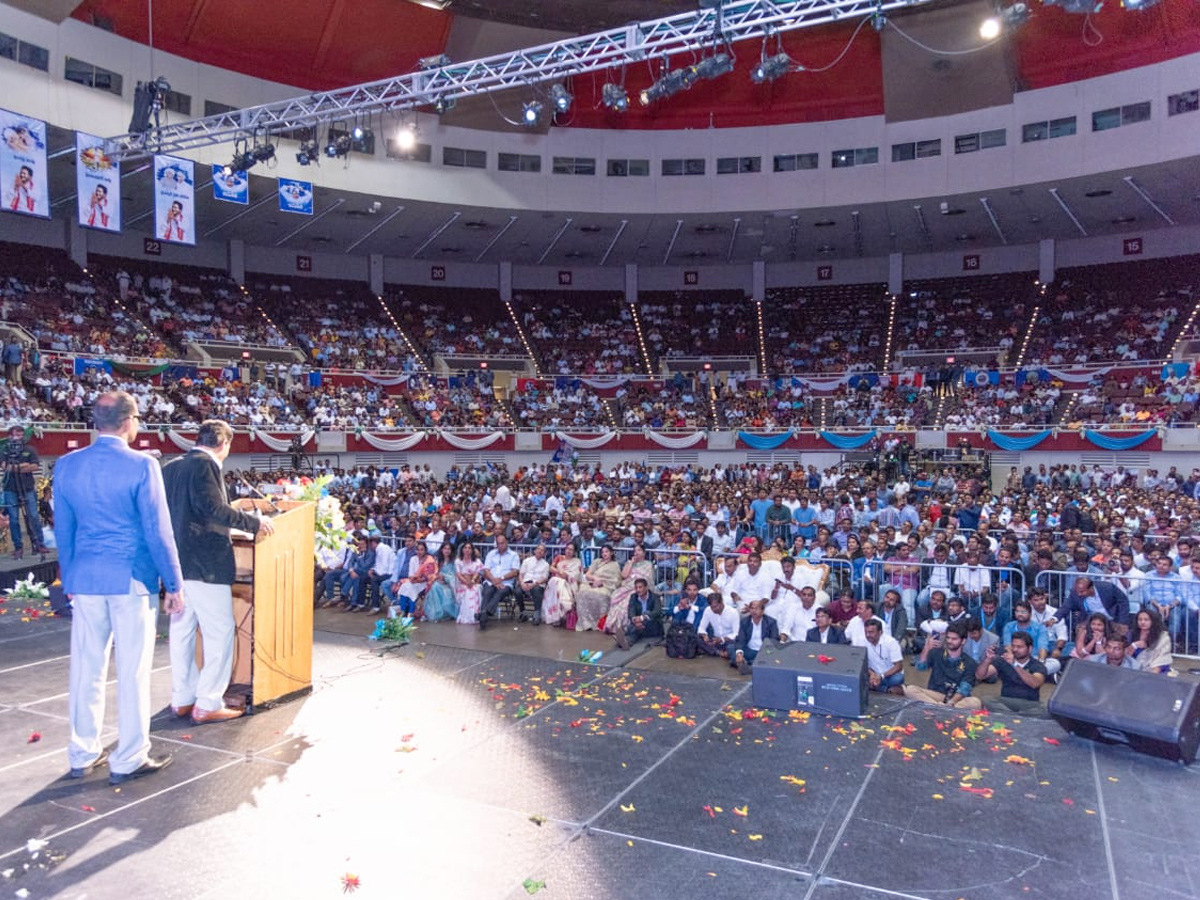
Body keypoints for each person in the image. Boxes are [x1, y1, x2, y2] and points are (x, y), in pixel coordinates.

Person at [55, 391, 184, 784]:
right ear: (129, 421)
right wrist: (174, 583)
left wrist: (70, 576)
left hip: (86, 578)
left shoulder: (65, 464)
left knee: (86, 669)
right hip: (130, 578)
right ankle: (128, 757)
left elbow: (64, 529)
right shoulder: (142, 465)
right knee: (132, 670)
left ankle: (83, 751)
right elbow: (158, 530)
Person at [163, 419, 273, 725]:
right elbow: (213, 508)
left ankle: (183, 698)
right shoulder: (205, 466)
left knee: (182, 632)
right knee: (219, 632)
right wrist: (254, 522)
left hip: (177, 562)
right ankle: (208, 702)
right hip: (205, 563)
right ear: (224, 444)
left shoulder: (171, 467)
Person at [904, 622, 981, 710]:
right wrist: (926, 648)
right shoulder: (936, 653)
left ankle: (938, 708)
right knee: (910, 689)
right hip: (936, 695)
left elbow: (964, 689)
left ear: (963, 641)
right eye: (948, 638)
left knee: (975, 702)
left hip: (956, 699)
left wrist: (951, 702)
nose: (949, 641)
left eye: (954, 639)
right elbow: (920, 667)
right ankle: (942, 709)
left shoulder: (970, 662)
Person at [976, 632, 1047, 717]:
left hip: (1030, 705)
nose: (1015, 649)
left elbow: (1035, 683)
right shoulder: (1003, 661)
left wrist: (1015, 664)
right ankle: (1014, 716)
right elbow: (980, 675)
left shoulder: (1037, 665)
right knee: (986, 699)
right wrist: (987, 659)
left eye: (1020, 647)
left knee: (1044, 710)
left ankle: (1008, 716)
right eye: (1013, 646)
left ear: (1030, 648)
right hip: (1006, 702)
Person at [3, 424, 46, 558]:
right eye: (16, 435)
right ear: (10, 436)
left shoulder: (30, 449)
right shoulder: (5, 450)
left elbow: (34, 466)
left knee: (33, 516)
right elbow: (5, 467)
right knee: (14, 519)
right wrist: (24, 465)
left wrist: (16, 467)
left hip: (27, 488)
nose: (19, 437)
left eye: (21, 435)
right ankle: (18, 547)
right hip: (10, 488)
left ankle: (39, 544)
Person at [605, 544, 654, 637]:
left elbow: (647, 579)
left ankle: (623, 628)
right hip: (627, 587)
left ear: (644, 553)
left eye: (639, 550)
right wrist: (630, 563)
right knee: (615, 596)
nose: (637, 553)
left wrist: (636, 585)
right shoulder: (630, 563)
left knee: (625, 605)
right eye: (635, 551)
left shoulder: (648, 564)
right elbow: (623, 576)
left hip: (638, 588)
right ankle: (612, 626)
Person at [573, 544, 622, 631]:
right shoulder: (597, 561)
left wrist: (602, 582)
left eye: (606, 551)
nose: (604, 554)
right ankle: (585, 623)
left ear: (611, 553)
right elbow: (588, 574)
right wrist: (595, 579)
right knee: (582, 593)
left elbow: (616, 580)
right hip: (592, 582)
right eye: (602, 552)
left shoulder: (615, 565)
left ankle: (600, 623)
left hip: (606, 586)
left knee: (601, 595)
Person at [478, 533, 520, 630]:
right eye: (498, 543)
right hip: (490, 581)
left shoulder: (514, 555)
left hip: (506, 583)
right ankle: (484, 615)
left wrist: (500, 579)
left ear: (507, 543)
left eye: (502, 543)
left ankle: (484, 614)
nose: (501, 545)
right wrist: (494, 581)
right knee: (487, 592)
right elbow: (486, 570)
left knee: (500, 592)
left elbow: (515, 572)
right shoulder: (491, 553)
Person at [731, 598, 780, 674]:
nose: (754, 611)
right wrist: (739, 654)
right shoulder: (744, 622)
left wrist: (766, 652)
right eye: (752, 608)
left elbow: (774, 640)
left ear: (762, 611)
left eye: (756, 609)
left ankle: (749, 665)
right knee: (731, 648)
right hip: (749, 650)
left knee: (771, 657)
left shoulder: (771, 622)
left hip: (763, 651)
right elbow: (740, 639)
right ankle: (753, 665)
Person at [613, 577, 663, 650]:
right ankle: (627, 641)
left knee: (646, 615)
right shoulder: (633, 597)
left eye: (640, 587)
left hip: (653, 626)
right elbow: (631, 610)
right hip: (640, 626)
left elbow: (657, 612)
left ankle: (625, 639)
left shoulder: (655, 597)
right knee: (637, 626)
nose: (638, 590)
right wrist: (634, 619)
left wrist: (642, 618)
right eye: (636, 588)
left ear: (646, 587)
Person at [543, 541, 583, 626]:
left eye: (571, 550)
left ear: (575, 552)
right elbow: (550, 568)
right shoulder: (560, 560)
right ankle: (556, 616)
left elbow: (571, 576)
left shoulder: (577, 562)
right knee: (555, 581)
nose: (568, 551)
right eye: (567, 549)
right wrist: (559, 572)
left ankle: (557, 615)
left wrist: (561, 574)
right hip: (557, 584)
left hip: (570, 585)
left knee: (557, 581)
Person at [394, 540, 437, 618]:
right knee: (405, 586)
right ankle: (403, 610)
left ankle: (411, 611)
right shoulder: (413, 559)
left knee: (411, 588)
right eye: (418, 550)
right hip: (413, 581)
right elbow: (411, 573)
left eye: (422, 550)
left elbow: (428, 576)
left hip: (425, 583)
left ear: (425, 550)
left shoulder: (429, 560)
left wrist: (418, 580)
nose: (419, 552)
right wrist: (413, 579)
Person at [862, 617, 905, 694]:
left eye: (871, 632)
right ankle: (886, 690)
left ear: (880, 632)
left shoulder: (891, 642)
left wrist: (881, 676)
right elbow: (862, 664)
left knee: (898, 678)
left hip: (888, 675)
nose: (868, 635)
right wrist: (872, 674)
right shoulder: (862, 642)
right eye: (866, 632)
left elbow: (898, 666)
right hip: (872, 674)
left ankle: (876, 687)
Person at [1128, 605, 1172, 673]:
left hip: (1156, 666)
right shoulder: (1131, 633)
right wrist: (1134, 645)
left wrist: (1153, 671)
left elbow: (1163, 656)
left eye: (1146, 620)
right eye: (1140, 620)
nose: (1142, 622)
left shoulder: (1163, 636)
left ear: (1153, 621)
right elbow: (1125, 655)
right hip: (1134, 666)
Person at [514, 542, 550, 625]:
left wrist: (533, 584)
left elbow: (544, 578)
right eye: (538, 549)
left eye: (542, 550)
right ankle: (523, 612)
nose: (540, 551)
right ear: (534, 550)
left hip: (537, 584)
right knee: (517, 591)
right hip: (525, 582)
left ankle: (537, 614)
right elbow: (521, 574)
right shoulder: (527, 561)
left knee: (536, 590)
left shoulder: (546, 565)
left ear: (544, 553)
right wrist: (522, 583)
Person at [422, 540, 458, 621]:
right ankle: (435, 612)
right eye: (445, 548)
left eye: (449, 549)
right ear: (441, 549)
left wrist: (445, 577)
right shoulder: (437, 561)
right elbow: (431, 573)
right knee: (434, 586)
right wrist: (436, 577)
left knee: (436, 587)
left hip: (450, 585)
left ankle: (444, 613)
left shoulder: (454, 562)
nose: (447, 551)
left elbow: (455, 576)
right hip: (437, 582)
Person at [454, 542, 483, 625]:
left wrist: (472, 581)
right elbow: (458, 574)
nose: (467, 550)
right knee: (467, 590)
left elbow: (478, 573)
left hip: (474, 582)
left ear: (472, 550)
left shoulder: (477, 561)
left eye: (469, 548)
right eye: (465, 548)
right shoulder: (458, 561)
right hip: (462, 583)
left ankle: (475, 616)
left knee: (475, 589)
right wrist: (467, 582)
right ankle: (466, 617)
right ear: (462, 549)